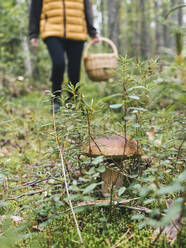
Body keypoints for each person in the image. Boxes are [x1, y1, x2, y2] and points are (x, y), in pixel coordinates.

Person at [29, 0, 100, 112]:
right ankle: (56, 99)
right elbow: (35, 9)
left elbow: (86, 7)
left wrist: (92, 31)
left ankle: (73, 101)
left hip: (77, 31)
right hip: (52, 30)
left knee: (74, 69)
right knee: (58, 63)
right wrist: (33, 34)